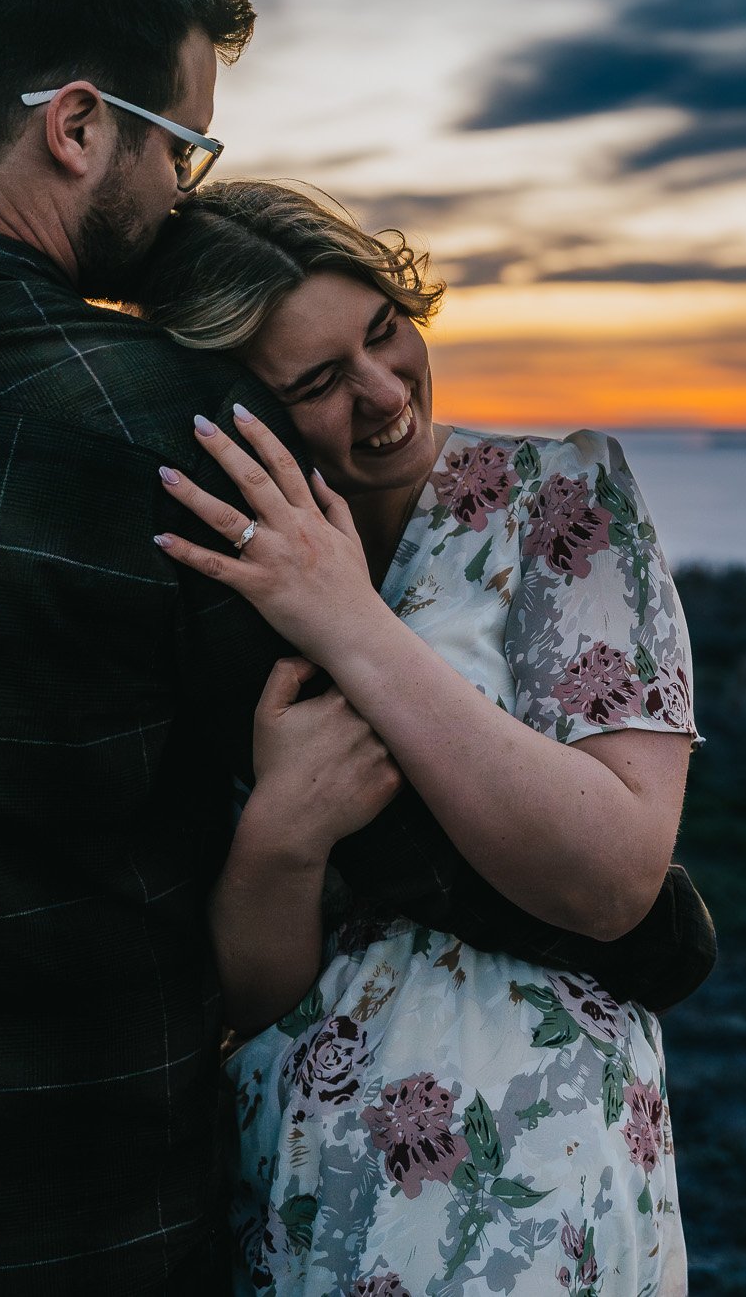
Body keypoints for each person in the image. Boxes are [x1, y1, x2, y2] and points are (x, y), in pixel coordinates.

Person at [0, 0, 708, 1293]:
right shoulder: (161, 430)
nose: (180, 188)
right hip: (94, 1218)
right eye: (180, 149)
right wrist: (665, 933)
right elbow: (376, 825)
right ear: (80, 125)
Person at [135, 181, 703, 1296]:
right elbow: (245, 997)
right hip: (302, 1183)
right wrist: (284, 838)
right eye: (316, 383)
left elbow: (614, 877)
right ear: (236, 406)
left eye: (384, 332)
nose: (385, 391)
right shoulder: (216, 580)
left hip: (536, 1186)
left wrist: (347, 621)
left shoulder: (561, 499)